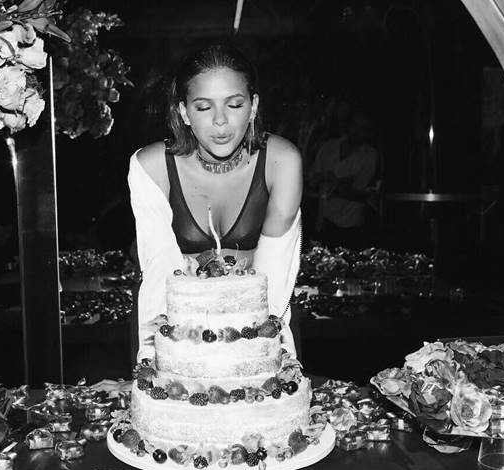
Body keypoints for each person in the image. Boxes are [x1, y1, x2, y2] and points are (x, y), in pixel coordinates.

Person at [127, 43, 303, 362]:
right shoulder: (151, 167)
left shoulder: (282, 162)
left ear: (253, 106)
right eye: (203, 107)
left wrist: (269, 363)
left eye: (234, 104)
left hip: (261, 328)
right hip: (175, 333)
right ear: (184, 112)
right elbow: (158, 276)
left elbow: (276, 280)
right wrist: (152, 367)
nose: (220, 121)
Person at [307, 109, 378, 248]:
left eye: (362, 128)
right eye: (355, 126)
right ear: (348, 126)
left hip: (350, 225)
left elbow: (359, 188)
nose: (357, 131)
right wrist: (337, 181)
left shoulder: (369, 155)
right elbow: (313, 178)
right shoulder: (328, 147)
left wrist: (333, 181)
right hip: (322, 221)